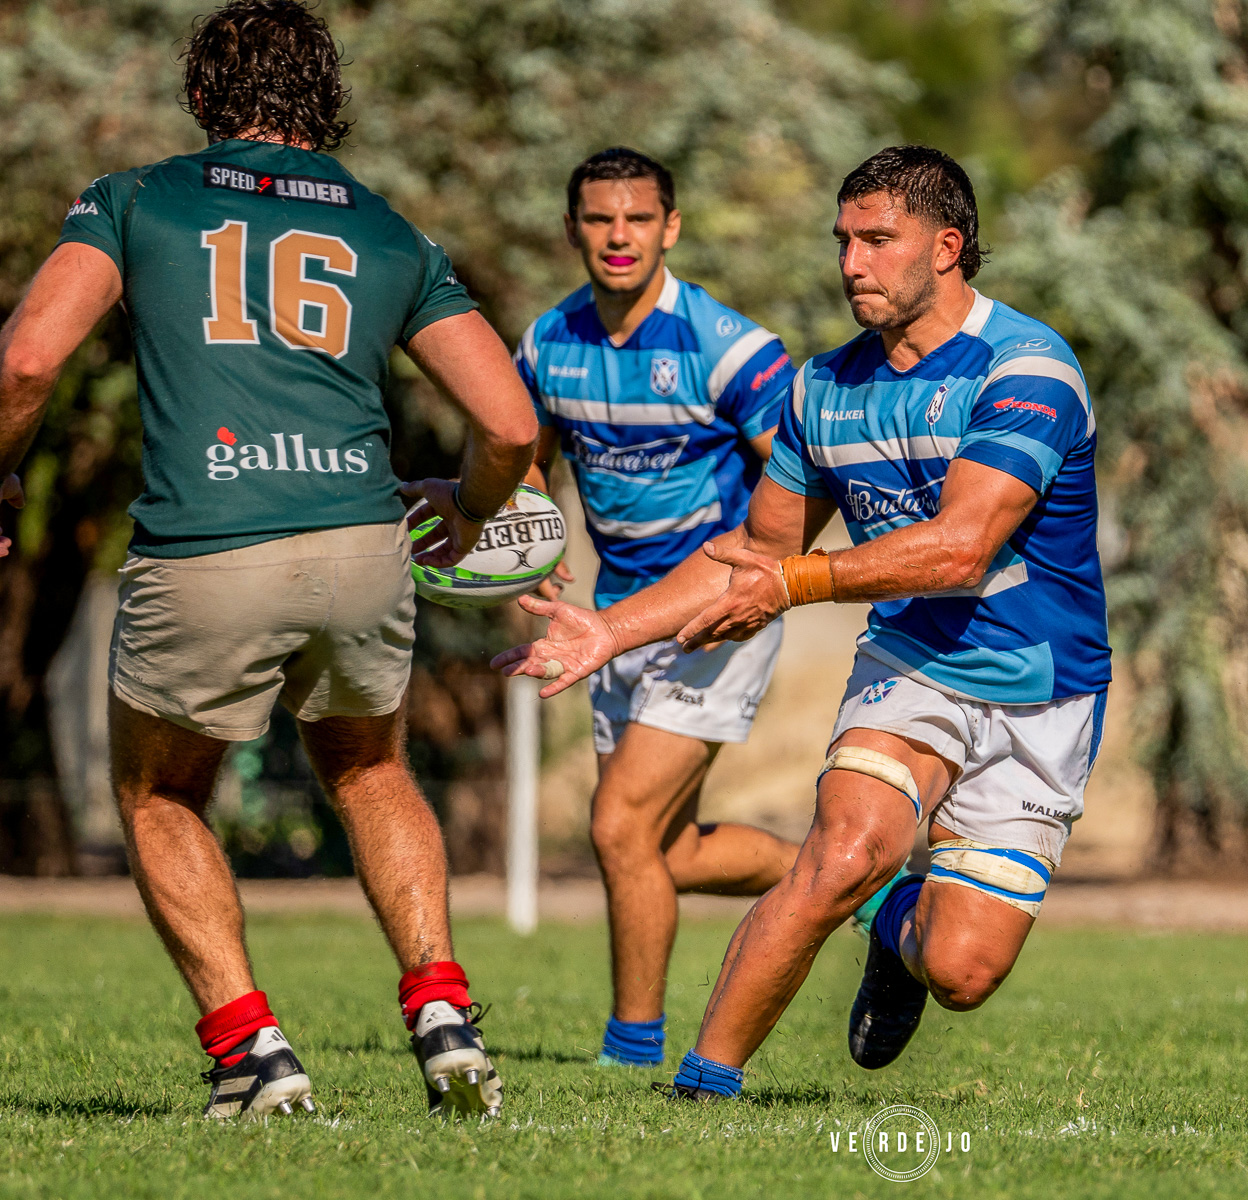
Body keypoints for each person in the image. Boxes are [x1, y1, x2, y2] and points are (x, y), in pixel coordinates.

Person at [0, 0, 537, 1119]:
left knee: (160, 792)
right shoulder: (390, 231)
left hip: (209, 543)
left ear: (202, 98)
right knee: (371, 768)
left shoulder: (134, 198)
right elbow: (511, 427)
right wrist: (471, 514)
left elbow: (27, 363)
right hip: (362, 543)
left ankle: (253, 1054)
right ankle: (442, 1012)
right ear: (326, 102)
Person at [493, 145, 1110, 1098]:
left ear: (947, 248)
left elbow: (958, 551)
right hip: (912, 662)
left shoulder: (1027, 369)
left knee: (962, 971)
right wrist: (611, 631)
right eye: (843, 241)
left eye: (877, 240)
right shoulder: (822, 389)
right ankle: (702, 1086)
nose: (851, 263)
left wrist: (792, 583)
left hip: (1045, 687)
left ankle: (903, 927)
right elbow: (750, 552)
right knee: (842, 853)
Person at [513, 148, 807, 1070]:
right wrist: (529, 543)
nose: (619, 237)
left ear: (670, 228)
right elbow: (530, 452)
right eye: (600, 220)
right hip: (609, 616)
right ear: (573, 230)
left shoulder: (728, 348)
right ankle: (851, 886)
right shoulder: (548, 343)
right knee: (661, 851)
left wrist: (766, 582)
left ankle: (632, 1050)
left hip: (714, 612)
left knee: (614, 828)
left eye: (638, 219)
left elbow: (800, 475)